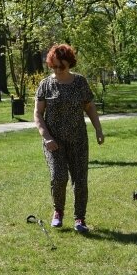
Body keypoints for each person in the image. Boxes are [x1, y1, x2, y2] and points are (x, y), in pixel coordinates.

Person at [34, 43, 104, 233]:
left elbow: (89, 107)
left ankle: (80, 218)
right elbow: (38, 114)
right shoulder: (45, 85)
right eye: (54, 66)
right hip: (54, 141)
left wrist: (98, 129)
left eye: (61, 66)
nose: (57, 70)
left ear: (69, 64)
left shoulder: (80, 82)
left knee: (80, 180)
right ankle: (58, 211)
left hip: (78, 139)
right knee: (59, 177)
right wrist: (46, 137)